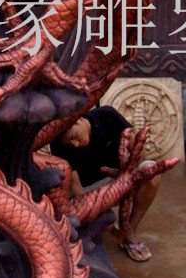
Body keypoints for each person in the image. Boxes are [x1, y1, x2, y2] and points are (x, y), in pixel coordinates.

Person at [50, 105, 161, 262]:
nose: (75, 144)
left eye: (74, 136)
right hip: (91, 190)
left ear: (79, 120)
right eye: (69, 143)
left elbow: (139, 154)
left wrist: (126, 180)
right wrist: (100, 210)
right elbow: (78, 190)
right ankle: (103, 227)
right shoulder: (57, 143)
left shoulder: (107, 116)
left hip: (122, 177)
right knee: (59, 200)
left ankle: (129, 231)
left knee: (151, 171)